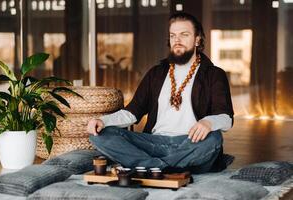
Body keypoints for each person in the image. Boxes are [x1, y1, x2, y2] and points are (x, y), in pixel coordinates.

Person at [87, 12, 234, 174]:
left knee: (214, 139)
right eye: (173, 35)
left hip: (190, 143)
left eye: (184, 35)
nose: (177, 40)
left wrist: (208, 122)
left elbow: (226, 119)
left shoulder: (213, 74)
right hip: (152, 143)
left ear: (197, 39)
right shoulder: (156, 73)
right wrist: (103, 121)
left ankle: (146, 166)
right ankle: (166, 168)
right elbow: (132, 112)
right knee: (100, 134)